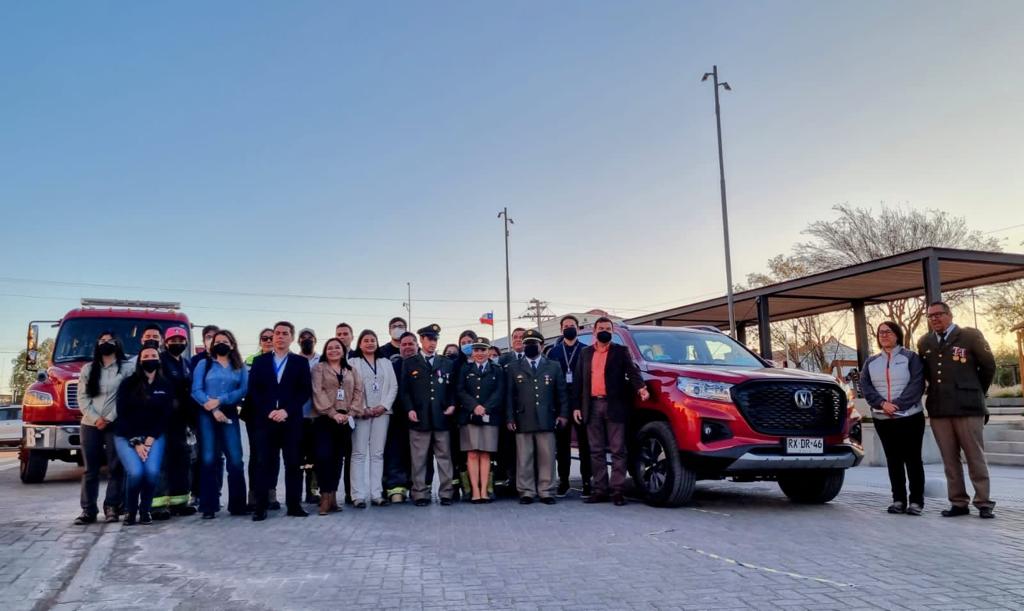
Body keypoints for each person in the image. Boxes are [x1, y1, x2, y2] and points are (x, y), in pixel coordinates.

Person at [917, 301, 997, 519]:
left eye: (939, 314)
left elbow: (989, 366)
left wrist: (975, 390)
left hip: (968, 407)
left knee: (974, 456)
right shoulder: (925, 342)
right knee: (949, 459)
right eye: (930, 316)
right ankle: (958, 501)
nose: (935, 319)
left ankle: (983, 501)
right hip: (940, 408)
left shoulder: (970, 336)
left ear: (949, 315)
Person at [573, 317, 649, 506]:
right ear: (594, 331)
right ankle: (600, 490)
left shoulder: (621, 351)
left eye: (607, 328)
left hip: (615, 405)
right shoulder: (585, 353)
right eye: (601, 328)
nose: (604, 331)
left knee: (618, 449)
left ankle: (617, 491)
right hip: (591, 406)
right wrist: (576, 406)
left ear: (612, 331)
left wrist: (641, 388)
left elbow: (632, 372)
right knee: (596, 450)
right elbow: (578, 382)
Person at [244, 321, 313, 521]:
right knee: (264, 463)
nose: (280, 336)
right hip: (266, 421)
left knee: (293, 463)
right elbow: (254, 391)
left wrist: (286, 411)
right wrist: (269, 411)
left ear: (291, 338)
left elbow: (304, 391)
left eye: (285, 333)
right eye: (277, 333)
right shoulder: (260, 362)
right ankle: (261, 506)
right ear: (272, 337)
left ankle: (294, 505)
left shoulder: (299, 363)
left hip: (290, 421)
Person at [860, 321, 926, 515]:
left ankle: (916, 502)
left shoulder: (910, 357)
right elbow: (866, 386)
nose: (884, 335)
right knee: (893, 459)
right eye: (880, 333)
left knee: (913, 459)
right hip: (883, 418)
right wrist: (882, 404)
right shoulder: (871, 362)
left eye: (888, 332)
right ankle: (898, 500)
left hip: (910, 416)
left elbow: (917, 383)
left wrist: (897, 404)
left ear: (897, 335)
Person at [75, 332, 133, 524]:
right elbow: (83, 398)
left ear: (117, 344)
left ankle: (112, 507)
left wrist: (108, 418)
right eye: (102, 340)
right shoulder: (88, 369)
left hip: (115, 423)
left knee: (116, 467)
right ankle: (88, 510)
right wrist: (95, 418)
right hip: (90, 424)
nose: (106, 343)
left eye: (110, 340)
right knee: (90, 469)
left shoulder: (126, 368)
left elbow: (126, 396)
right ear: (97, 344)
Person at [506, 330, 569, 505]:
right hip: (522, 418)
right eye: (527, 344)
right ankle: (526, 491)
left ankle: (546, 490)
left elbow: (561, 393)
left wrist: (563, 415)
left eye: (534, 344)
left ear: (541, 346)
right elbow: (509, 396)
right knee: (524, 457)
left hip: (547, 417)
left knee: (547, 457)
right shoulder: (513, 367)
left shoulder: (553, 366)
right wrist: (510, 418)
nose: (530, 347)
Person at [191, 330, 249, 519]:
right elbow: (196, 390)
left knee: (235, 459)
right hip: (207, 413)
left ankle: (238, 505)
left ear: (232, 345)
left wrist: (222, 400)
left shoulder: (239, 367)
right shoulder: (204, 364)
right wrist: (213, 408)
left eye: (225, 341)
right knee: (209, 459)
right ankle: (208, 506)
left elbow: (243, 389)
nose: (221, 344)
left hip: (229, 412)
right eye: (217, 341)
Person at [113, 347, 173, 525]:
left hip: (154, 436)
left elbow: (166, 415)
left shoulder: (165, 385)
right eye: (145, 356)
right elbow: (122, 414)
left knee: (152, 473)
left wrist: (150, 438)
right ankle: (130, 511)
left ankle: (145, 510)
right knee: (136, 473)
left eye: (153, 356)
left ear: (159, 360)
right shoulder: (128, 384)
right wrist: (137, 442)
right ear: (140, 361)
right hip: (126, 435)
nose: (150, 358)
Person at [401, 324, 457, 506]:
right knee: (418, 459)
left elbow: (452, 389)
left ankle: (447, 492)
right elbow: (405, 390)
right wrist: (409, 408)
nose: (432, 343)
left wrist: (452, 405)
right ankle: (420, 493)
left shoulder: (446, 362)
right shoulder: (410, 362)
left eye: (435, 339)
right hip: (419, 418)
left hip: (441, 417)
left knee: (444, 458)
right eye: (429, 339)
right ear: (422, 340)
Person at [310, 338, 363, 515]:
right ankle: (324, 496)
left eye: (337, 347)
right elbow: (318, 392)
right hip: (325, 418)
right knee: (323, 457)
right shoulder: (319, 368)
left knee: (338, 459)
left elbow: (358, 391)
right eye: (330, 348)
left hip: (345, 420)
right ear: (325, 350)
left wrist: (351, 413)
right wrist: (333, 413)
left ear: (343, 351)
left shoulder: (351, 370)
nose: (334, 350)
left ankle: (333, 496)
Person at [150, 326, 196, 520]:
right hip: (162, 419)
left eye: (181, 340)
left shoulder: (185, 363)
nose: (177, 343)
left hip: (181, 421)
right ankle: (158, 505)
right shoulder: (160, 361)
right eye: (173, 340)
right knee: (161, 462)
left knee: (181, 460)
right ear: (165, 342)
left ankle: (179, 502)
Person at [350, 330, 399, 507]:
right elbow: (350, 387)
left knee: (378, 454)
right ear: (360, 344)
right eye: (366, 340)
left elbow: (393, 386)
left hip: (381, 413)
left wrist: (383, 406)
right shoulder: (352, 362)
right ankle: (358, 495)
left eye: (373, 340)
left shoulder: (385, 362)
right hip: (361, 413)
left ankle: (376, 494)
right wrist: (362, 408)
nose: (370, 343)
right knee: (359, 454)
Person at [547, 315, 592, 497]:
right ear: (561, 330)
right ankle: (563, 481)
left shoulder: (586, 350)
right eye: (565, 326)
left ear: (578, 328)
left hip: (581, 403)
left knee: (584, 445)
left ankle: (587, 482)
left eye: (572, 326)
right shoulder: (554, 352)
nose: (569, 328)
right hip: (560, 404)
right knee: (562, 446)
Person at [458, 337, 504, 503]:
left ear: (488, 351)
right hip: (469, 416)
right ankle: (475, 491)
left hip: (489, 416)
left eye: (483, 350)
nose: (479, 353)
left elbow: (499, 392)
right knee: (471, 454)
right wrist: (474, 406)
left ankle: (485, 490)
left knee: (485, 454)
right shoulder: (465, 368)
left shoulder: (496, 369)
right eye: (476, 350)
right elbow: (460, 391)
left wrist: (485, 407)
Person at [383, 331, 418, 503]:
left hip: (419, 419)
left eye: (411, 344)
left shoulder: (424, 364)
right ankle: (396, 488)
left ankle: (418, 488)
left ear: (417, 346)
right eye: (404, 344)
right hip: (396, 418)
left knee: (419, 455)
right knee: (395, 453)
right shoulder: (392, 366)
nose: (407, 347)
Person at [190, 325, 221, 508]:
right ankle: (197, 492)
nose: (212, 340)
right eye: (208, 337)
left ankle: (215, 491)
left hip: (223, 413)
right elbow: (194, 387)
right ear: (203, 340)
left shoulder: (227, 359)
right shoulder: (196, 360)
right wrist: (207, 404)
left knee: (219, 456)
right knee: (202, 455)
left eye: (215, 337)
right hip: (201, 413)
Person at [245, 328, 275, 510]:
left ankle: (271, 494)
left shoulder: (284, 359)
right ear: (260, 341)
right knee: (256, 455)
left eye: (272, 337)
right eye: (265, 338)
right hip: (255, 414)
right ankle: (254, 496)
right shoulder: (250, 360)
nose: (269, 341)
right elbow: (249, 387)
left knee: (273, 456)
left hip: (277, 414)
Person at [495, 327, 527, 493]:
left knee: (528, 450)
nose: (518, 339)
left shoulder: (533, 357)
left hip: (528, 411)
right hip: (510, 411)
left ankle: (527, 482)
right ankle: (513, 482)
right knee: (510, 449)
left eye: (521, 337)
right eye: (515, 336)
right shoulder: (503, 359)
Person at [297, 328, 321, 505]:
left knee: (315, 457)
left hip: (318, 415)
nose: (307, 340)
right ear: (298, 341)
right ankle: (296, 491)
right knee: (298, 457)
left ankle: (312, 491)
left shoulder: (322, 360)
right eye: (303, 338)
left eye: (310, 338)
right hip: (297, 416)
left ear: (315, 340)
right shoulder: (293, 360)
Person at [335, 321, 356, 503]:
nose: (342, 337)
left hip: (354, 413)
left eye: (345, 334)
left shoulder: (358, 357)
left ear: (352, 336)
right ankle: (330, 493)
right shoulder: (329, 357)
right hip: (334, 414)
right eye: (339, 334)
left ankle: (351, 493)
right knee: (335, 455)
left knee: (352, 455)